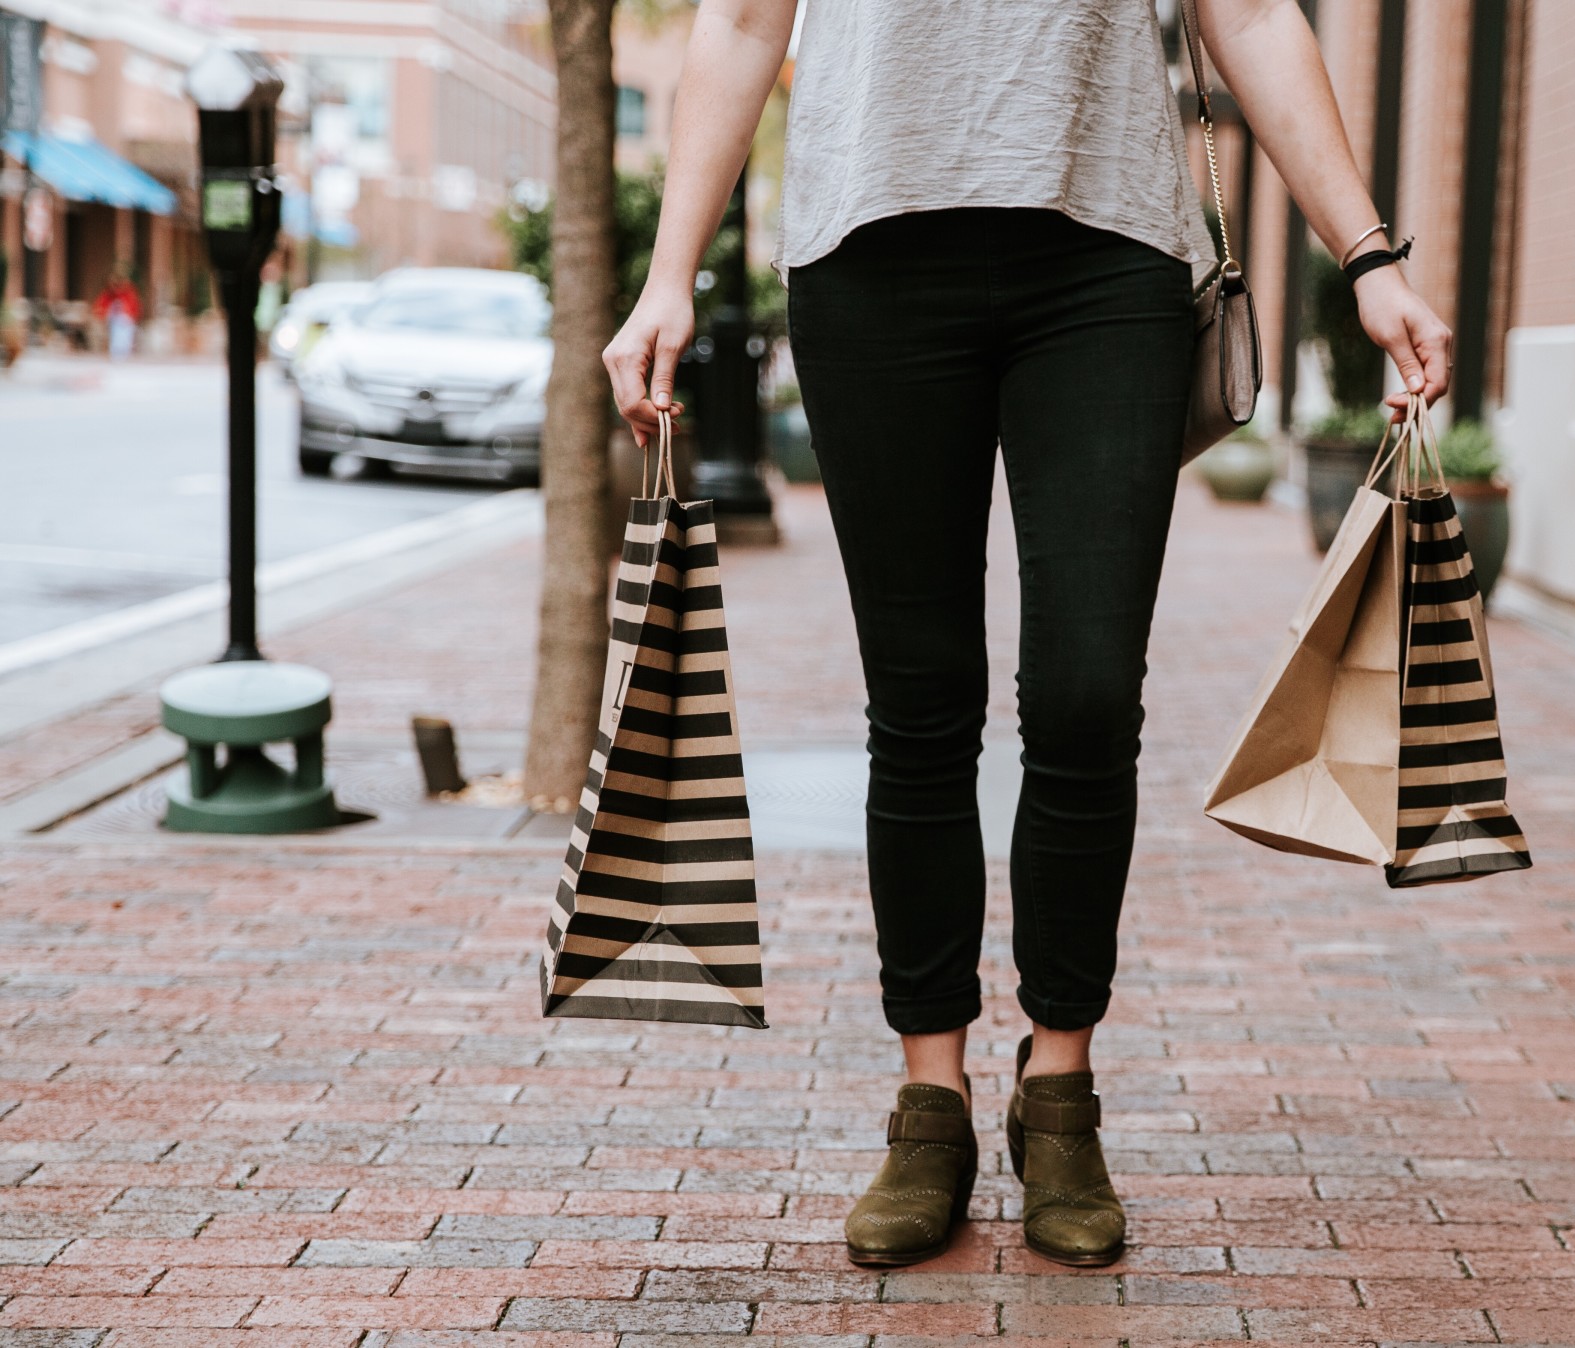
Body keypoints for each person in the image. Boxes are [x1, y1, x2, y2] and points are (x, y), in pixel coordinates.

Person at [602, 0, 1452, 1270]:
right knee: (921, 700)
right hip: (868, 251)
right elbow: (737, 22)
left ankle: (1060, 1090)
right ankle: (930, 1100)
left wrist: (1368, 256)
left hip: (1108, 252)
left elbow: (1249, 11)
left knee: (1088, 696)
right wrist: (669, 274)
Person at [94, 270, 141, 362]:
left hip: (126, 322)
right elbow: (100, 307)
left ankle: (124, 356)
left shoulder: (129, 294)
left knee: (125, 342)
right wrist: (104, 316)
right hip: (114, 323)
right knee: (115, 343)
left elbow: (134, 308)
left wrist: (129, 316)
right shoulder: (108, 295)